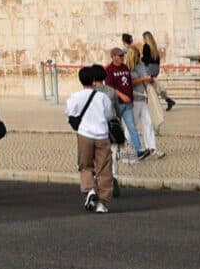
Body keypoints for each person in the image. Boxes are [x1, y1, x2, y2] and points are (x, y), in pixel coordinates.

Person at [64, 63, 118, 213]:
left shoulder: (75, 97)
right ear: (94, 79)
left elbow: (70, 113)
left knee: (85, 165)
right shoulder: (102, 97)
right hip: (102, 135)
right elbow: (109, 115)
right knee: (104, 169)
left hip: (85, 134)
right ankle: (103, 203)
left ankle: (89, 190)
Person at [105, 47, 157, 161]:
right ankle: (115, 152)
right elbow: (110, 87)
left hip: (128, 104)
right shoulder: (109, 70)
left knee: (132, 127)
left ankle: (139, 151)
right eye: (120, 55)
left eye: (123, 55)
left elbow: (128, 83)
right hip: (117, 104)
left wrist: (130, 96)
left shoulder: (125, 67)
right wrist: (122, 95)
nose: (123, 57)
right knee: (116, 128)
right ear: (114, 56)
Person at [134, 31, 176, 112]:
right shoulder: (154, 47)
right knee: (154, 85)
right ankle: (168, 100)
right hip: (156, 68)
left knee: (149, 87)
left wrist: (139, 61)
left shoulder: (146, 46)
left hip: (149, 68)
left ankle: (154, 104)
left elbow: (146, 59)